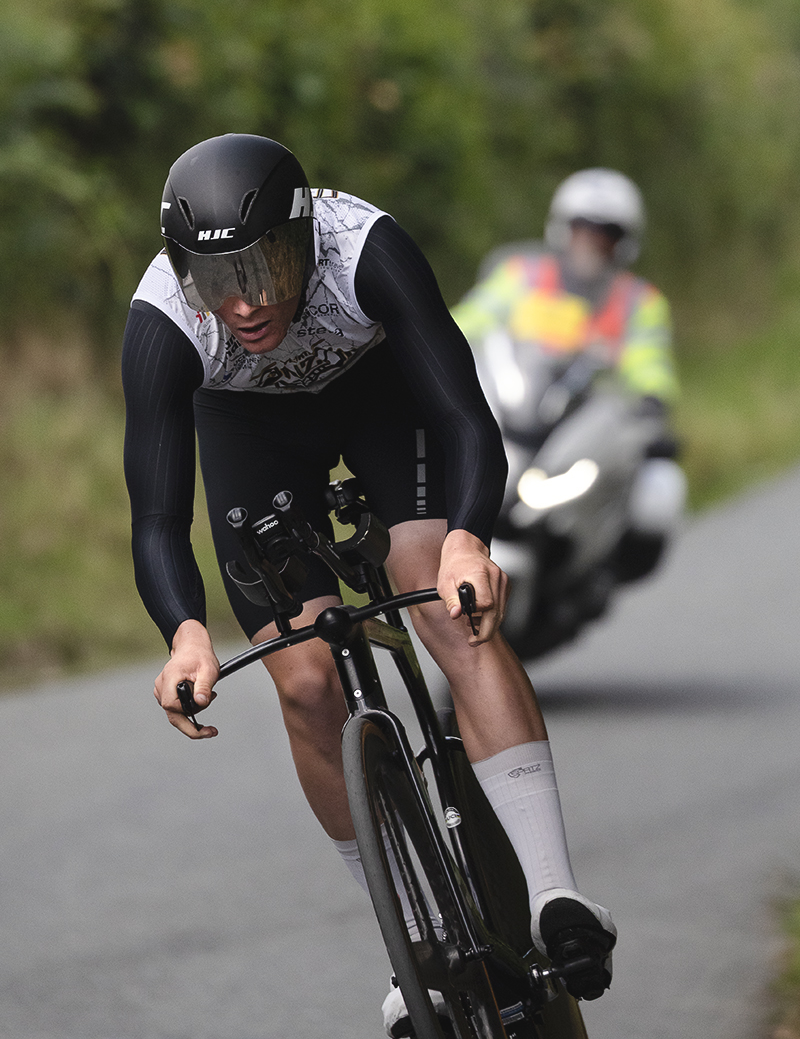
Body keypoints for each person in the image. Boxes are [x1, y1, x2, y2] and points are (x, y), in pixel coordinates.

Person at [121, 134, 616, 1034]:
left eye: (265, 266)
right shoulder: (163, 319)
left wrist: (468, 539)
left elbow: (464, 414)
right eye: (212, 277)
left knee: (441, 597)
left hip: (378, 394)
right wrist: (184, 632)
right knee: (305, 679)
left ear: (305, 239)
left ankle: (555, 897)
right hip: (250, 433)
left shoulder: (366, 248)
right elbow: (156, 516)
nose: (241, 303)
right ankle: (418, 943)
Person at [452, 168, 685, 577]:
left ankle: (590, 562)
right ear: (563, 229)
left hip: (581, 425)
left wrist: (653, 400)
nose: (592, 242)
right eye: (583, 229)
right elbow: (469, 322)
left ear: (623, 242)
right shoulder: (521, 275)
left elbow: (649, 361)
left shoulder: (638, 301)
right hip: (518, 408)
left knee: (656, 492)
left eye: (606, 233)